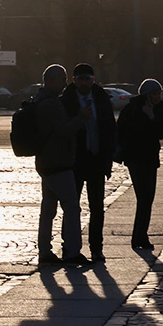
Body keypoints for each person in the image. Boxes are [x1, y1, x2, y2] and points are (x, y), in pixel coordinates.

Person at [34, 64, 91, 265]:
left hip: (46, 161)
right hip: (58, 162)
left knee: (48, 209)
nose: (65, 84)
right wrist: (81, 118)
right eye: (62, 79)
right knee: (72, 207)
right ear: (51, 81)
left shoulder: (40, 100)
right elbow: (64, 130)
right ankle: (72, 252)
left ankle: (45, 251)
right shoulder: (52, 104)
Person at [61, 62, 116, 263]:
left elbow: (109, 129)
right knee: (71, 207)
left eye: (87, 79)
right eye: (80, 79)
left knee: (97, 208)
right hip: (75, 161)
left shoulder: (101, 99)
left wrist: (108, 158)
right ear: (74, 81)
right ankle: (69, 247)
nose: (84, 83)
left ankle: (96, 248)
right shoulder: (66, 101)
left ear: (93, 80)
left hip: (96, 160)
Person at [116, 78, 163, 251]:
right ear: (146, 95)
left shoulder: (158, 109)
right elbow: (124, 131)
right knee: (144, 198)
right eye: (154, 93)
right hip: (136, 159)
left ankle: (140, 236)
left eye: (159, 93)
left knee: (147, 199)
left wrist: (152, 116)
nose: (158, 96)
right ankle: (139, 237)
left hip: (150, 159)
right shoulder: (132, 109)